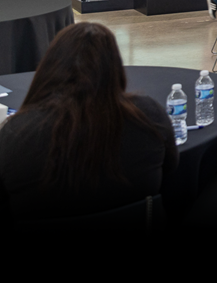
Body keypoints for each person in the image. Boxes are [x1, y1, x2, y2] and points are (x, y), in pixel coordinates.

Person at [0, 23, 178, 221]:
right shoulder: (148, 116)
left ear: (49, 67)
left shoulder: (16, 133)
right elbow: (171, 171)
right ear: (115, 67)